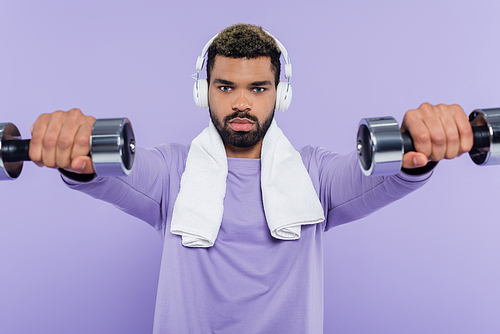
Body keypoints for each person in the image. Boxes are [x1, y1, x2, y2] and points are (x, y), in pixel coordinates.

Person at [28, 24, 473, 333]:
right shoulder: (171, 172)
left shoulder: (314, 175)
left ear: (281, 93)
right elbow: (111, 170)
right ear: (204, 91)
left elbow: (384, 174)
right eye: (225, 87)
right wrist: (74, 149)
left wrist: (422, 149)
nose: (242, 103)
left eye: (258, 88)